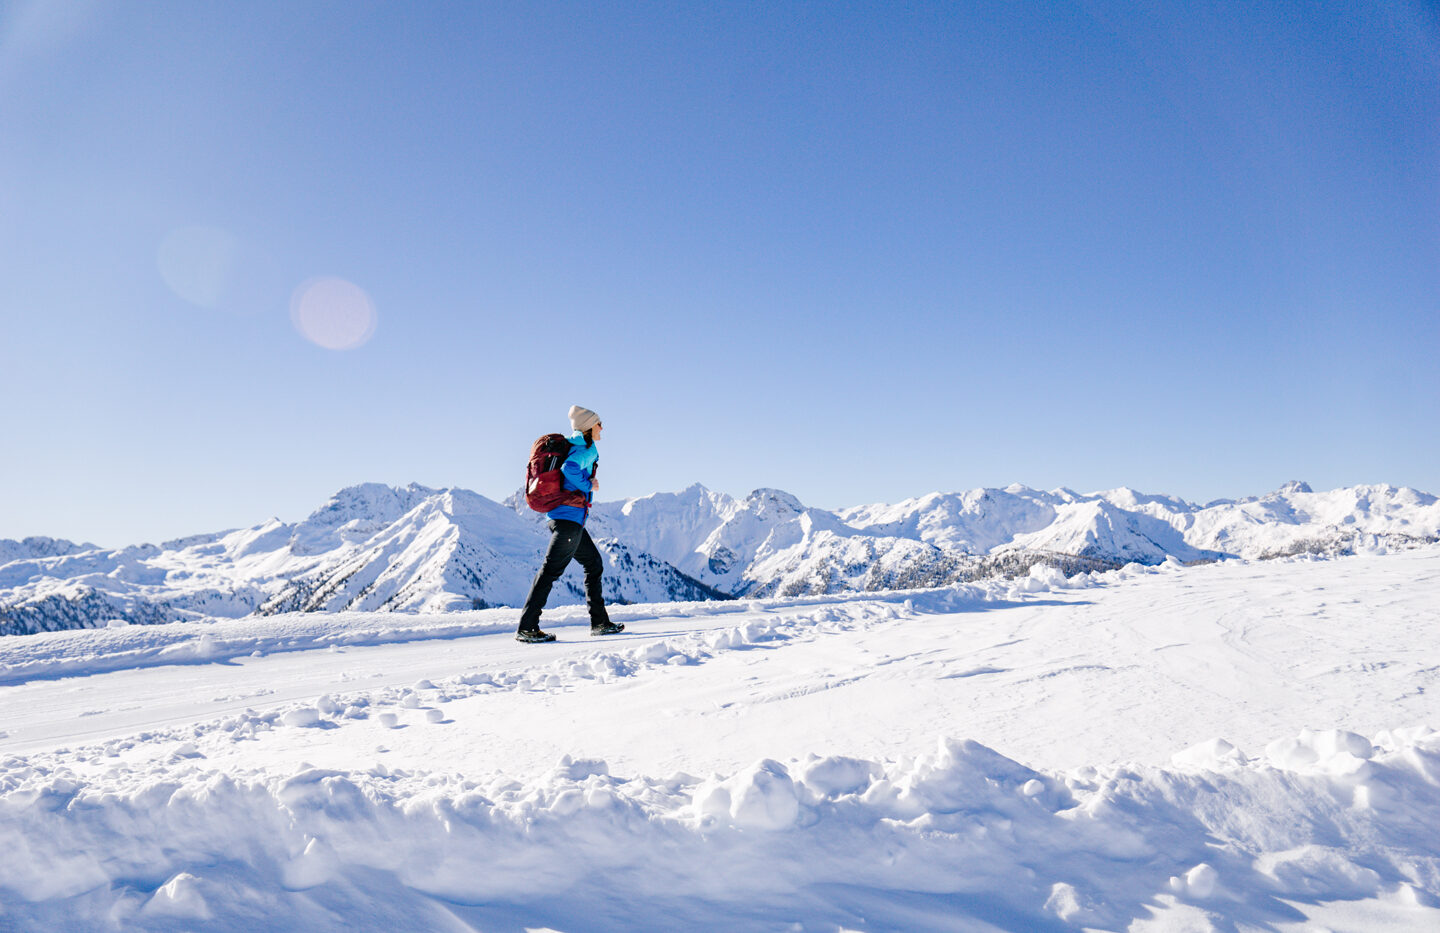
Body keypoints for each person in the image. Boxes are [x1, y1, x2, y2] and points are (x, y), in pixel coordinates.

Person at [515, 405, 625, 643]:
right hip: (569, 521)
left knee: (594, 564)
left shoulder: (572, 445)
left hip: (564, 519)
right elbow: (569, 468)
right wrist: (589, 485)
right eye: (598, 423)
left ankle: (600, 623)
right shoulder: (586, 448)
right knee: (550, 571)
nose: (602, 428)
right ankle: (527, 627)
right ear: (588, 427)